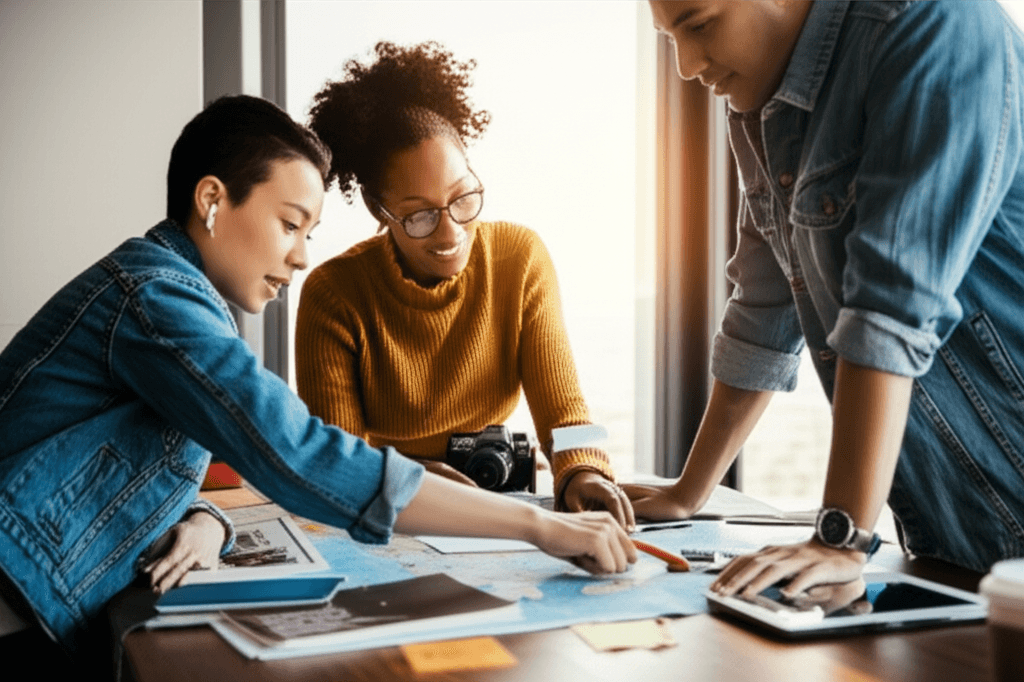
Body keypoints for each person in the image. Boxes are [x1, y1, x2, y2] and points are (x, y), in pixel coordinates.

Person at [0, 95, 636, 664]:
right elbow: (301, 452)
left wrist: (205, 519)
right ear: (213, 201)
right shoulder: (157, 300)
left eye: (310, 232)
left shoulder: (168, 295)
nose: (302, 256)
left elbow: (150, 461)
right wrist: (540, 526)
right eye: (289, 223)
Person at [626, 0, 1024, 602]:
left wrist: (839, 537)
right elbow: (762, 312)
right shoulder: (759, 104)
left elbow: (891, 307)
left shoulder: (936, 24)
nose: (684, 65)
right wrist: (688, 492)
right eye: (668, 38)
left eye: (699, 24)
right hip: (957, 550)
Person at [296, 41, 635, 528]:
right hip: (391, 506)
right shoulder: (334, 294)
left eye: (463, 197)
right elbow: (338, 460)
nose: (451, 232)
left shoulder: (519, 258)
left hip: (498, 501)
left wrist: (582, 470)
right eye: (419, 216)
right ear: (379, 210)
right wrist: (410, 479)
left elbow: (564, 411)